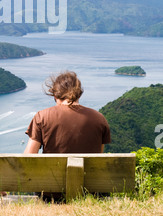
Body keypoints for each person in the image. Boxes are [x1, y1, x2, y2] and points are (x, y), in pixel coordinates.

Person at [24, 71, 111, 201]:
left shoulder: (41, 117)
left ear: (55, 94)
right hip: (90, 193)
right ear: (79, 93)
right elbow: (98, 156)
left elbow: (28, 158)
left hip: (51, 193)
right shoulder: (99, 119)